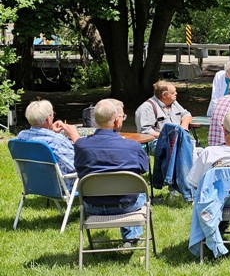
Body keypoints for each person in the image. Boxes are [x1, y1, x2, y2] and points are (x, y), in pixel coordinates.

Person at [74, 99, 149, 246]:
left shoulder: (81, 146)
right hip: (127, 206)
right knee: (136, 187)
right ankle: (131, 239)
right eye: (122, 117)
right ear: (116, 121)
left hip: (92, 206)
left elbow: (79, 170)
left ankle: (131, 239)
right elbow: (144, 169)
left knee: (130, 187)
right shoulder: (132, 146)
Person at [16, 99, 80, 179]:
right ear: (48, 119)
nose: (53, 116)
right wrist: (75, 137)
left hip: (36, 183)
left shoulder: (21, 137)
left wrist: (50, 131)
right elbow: (79, 166)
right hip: (64, 187)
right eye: (53, 114)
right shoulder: (57, 141)